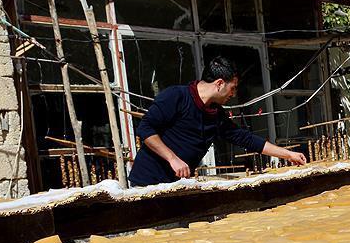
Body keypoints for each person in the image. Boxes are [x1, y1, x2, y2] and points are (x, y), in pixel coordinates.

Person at [128, 57, 306, 186]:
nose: (233, 94)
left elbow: (245, 138)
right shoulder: (176, 96)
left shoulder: (215, 114)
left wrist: (288, 154)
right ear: (220, 83)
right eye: (232, 88)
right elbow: (145, 129)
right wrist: (172, 158)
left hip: (178, 185)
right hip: (147, 183)